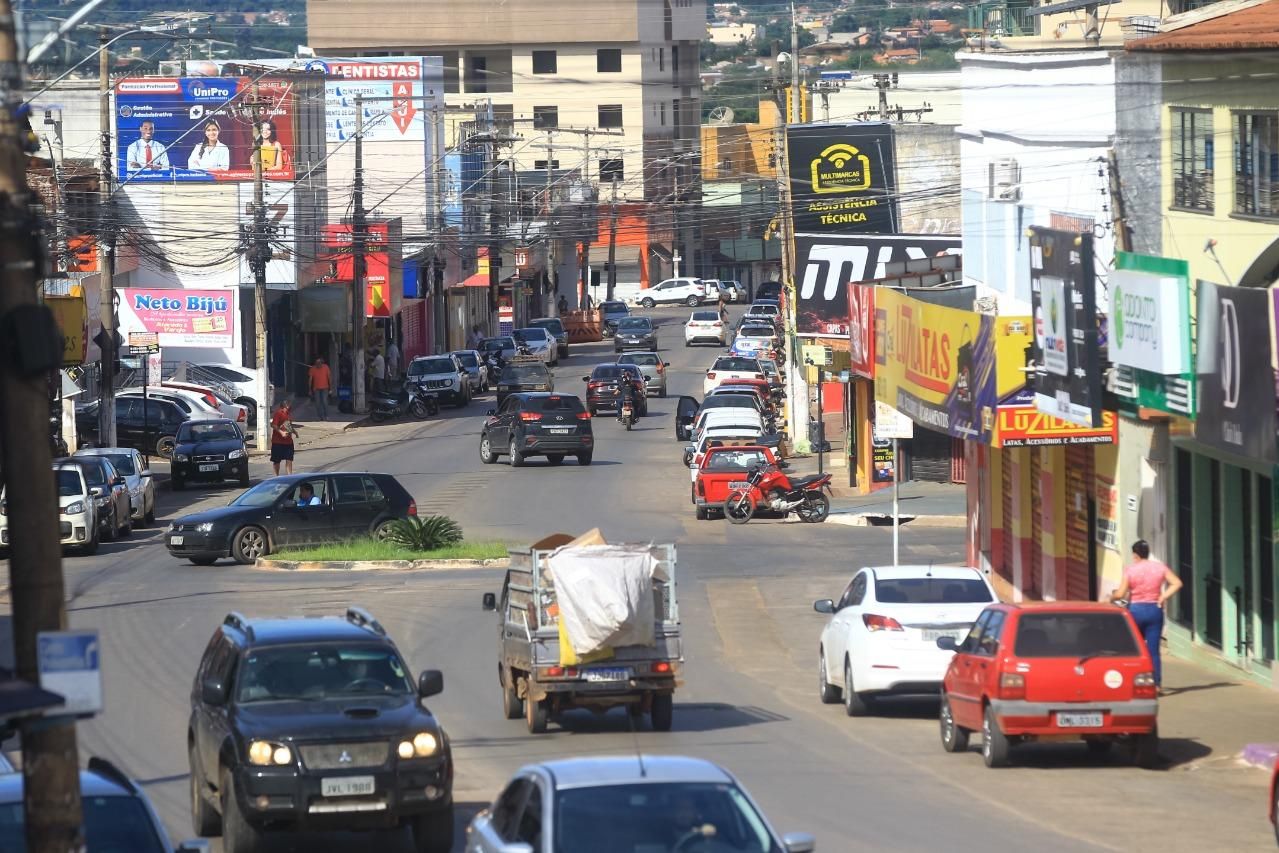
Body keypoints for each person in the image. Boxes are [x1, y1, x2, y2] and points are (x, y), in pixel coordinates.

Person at [1109, 540, 1183, 688]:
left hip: (1135, 611)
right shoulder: (1160, 568)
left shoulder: (1130, 570)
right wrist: (1163, 597)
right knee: (1154, 651)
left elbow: (1121, 593)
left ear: (1135, 554)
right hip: (1154, 610)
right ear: (1147, 553)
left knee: (1134, 648)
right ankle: (1156, 684)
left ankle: (1136, 681)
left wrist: (1112, 597)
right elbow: (1177, 583)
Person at [270, 401, 296, 476]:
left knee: (289, 459)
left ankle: (290, 476)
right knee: (277, 460)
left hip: (288, 441)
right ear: (284, 407)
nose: (290, 408)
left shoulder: (288, 414)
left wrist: (294, 432)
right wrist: (281, 432)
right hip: (278, 442)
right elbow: (274, 425)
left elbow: (288, 425)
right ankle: (276, 476)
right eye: (288, 407)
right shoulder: (278, 413)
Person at [308, 356, 332, 421]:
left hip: (325, 388)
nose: (318, 364)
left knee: (324, 401)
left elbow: (329, 377)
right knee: (317, 403)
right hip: (316, 388)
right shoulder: (313, 369)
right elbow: (310, 380)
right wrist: (309, 390)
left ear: (322, 362)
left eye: (319, 362)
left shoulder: (326, 367)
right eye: (317, 362)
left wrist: (330, 388)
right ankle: (320, 416)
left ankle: (326, 415)